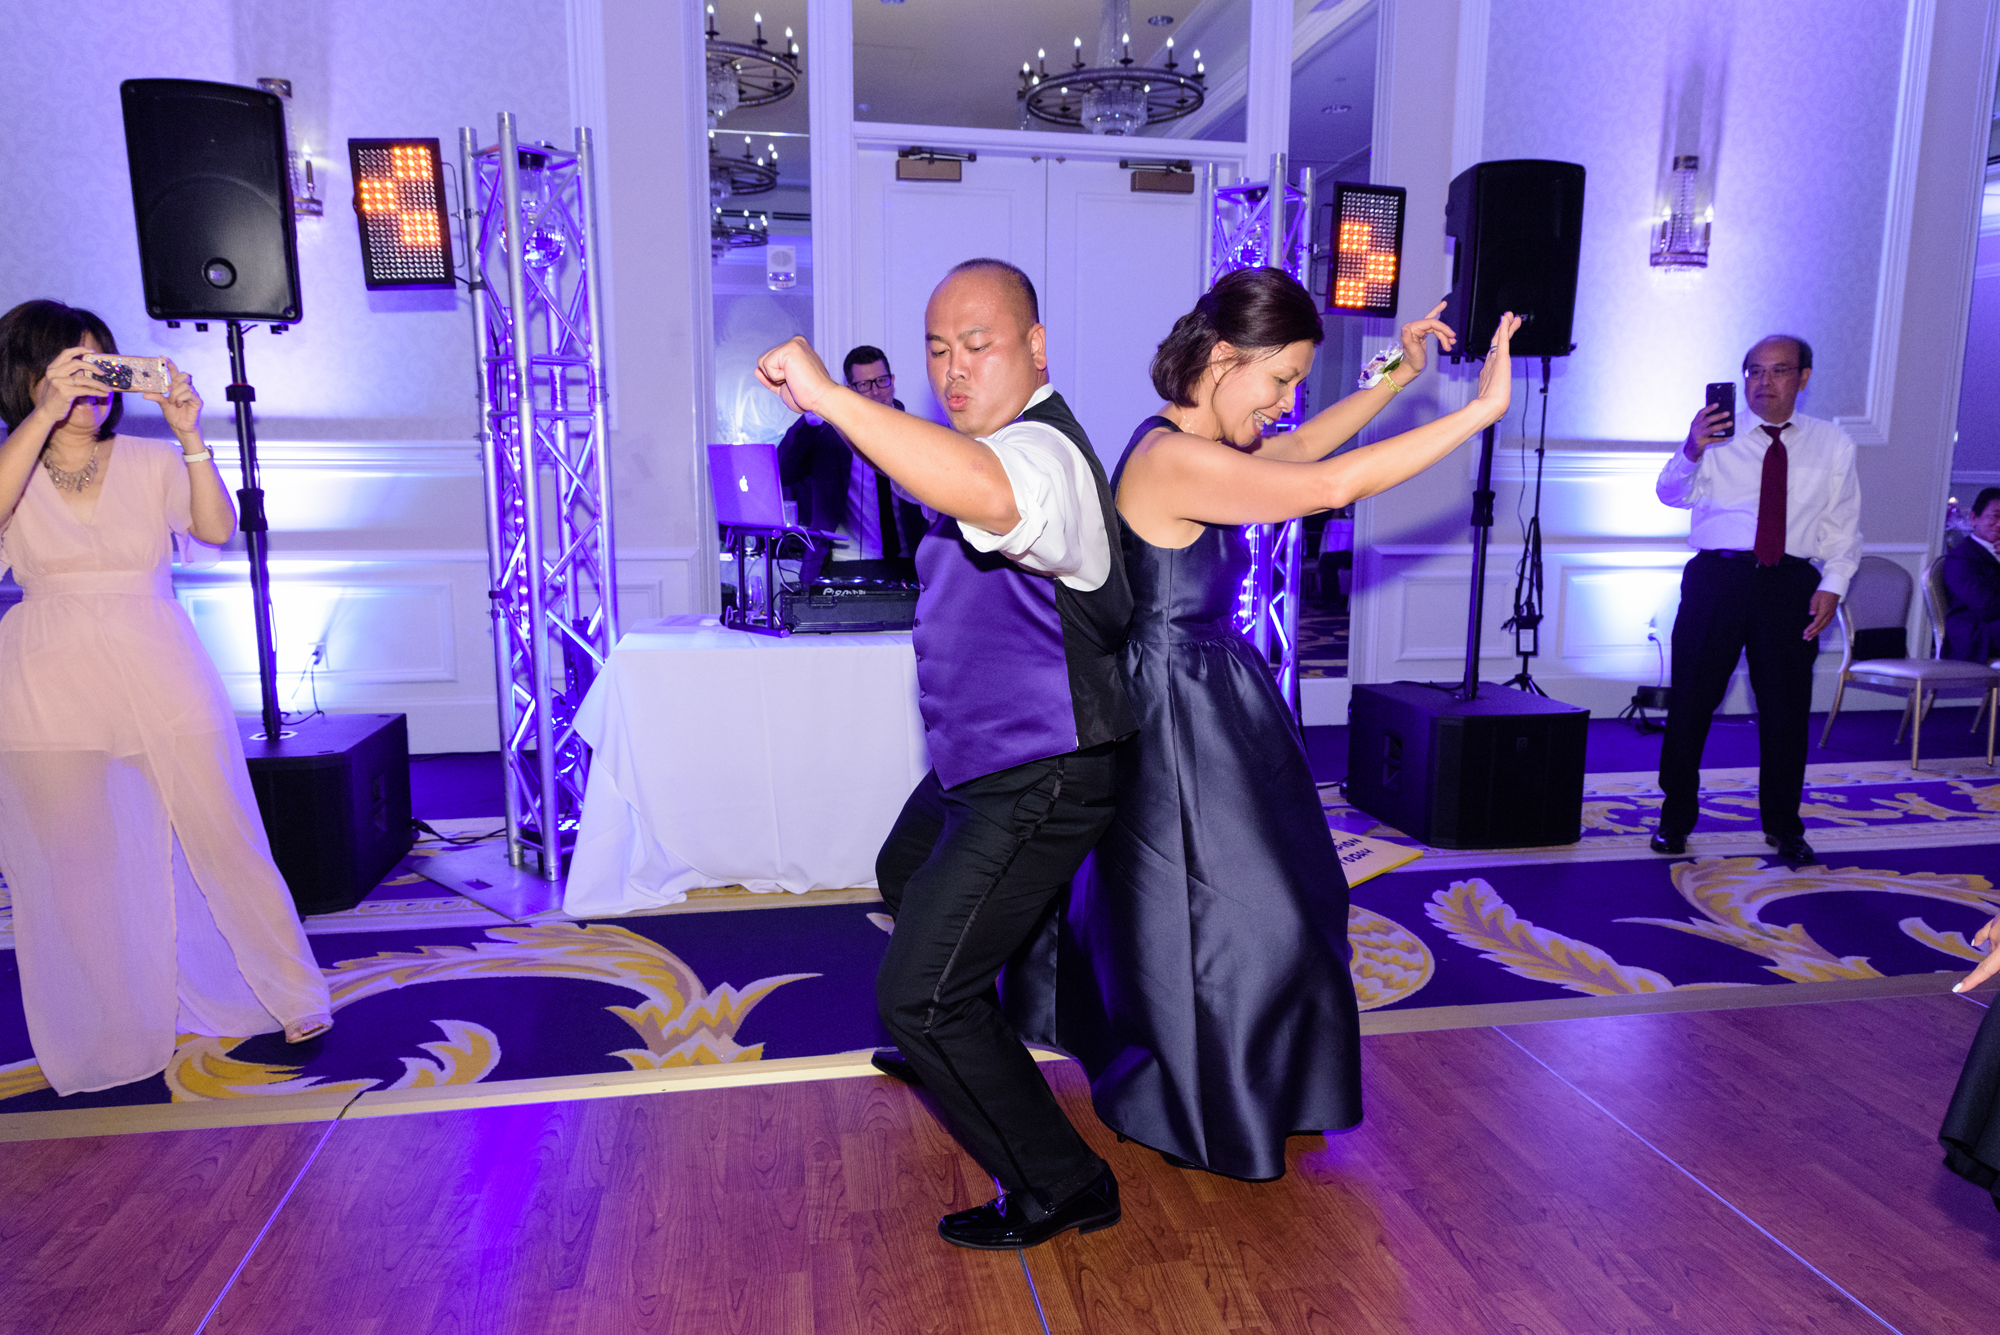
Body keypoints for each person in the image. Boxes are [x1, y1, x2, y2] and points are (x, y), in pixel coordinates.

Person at [1006, 269, 1519, 1180]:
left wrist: (1397, 379)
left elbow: (1309, 450)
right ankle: (1203, 1096)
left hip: (1210, 691)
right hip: (1175, 710)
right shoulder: (1168, 456)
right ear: (1221, 358)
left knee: (1290, 903)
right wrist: (1477, 416)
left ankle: (1259, 1087)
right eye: (1278, 380)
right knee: (1241, 919)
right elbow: (1325, 485)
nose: (1288, 403)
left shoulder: (1201, 442)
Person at [756, 259, 1133, 1250]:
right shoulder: (980, 443)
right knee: (902, 871)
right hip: (982, 761)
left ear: (1035, 347)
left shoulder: (1038, 456)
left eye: (979, 344)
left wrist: (832, 398)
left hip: (1045, 769)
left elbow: (987, 491)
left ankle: (1065, 1184)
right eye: (937, 349)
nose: (953, 368)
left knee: (917, 994)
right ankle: (961, 1045)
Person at [0, 299, 332, 1096]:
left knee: (224, 831)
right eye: (76, 367)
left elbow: (215, 528)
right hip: (49, 678)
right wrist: (43, 420)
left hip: (159, 662)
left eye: (104, 364)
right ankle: (112, 1025)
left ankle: (288, 993)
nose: (98, 383)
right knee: (76, 860)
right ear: (31, 375)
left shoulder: (150, 459)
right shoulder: (14, 462)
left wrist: (189, 434)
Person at [1652, 335, 1861, 868]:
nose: (1763, 383)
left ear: (1804, 378)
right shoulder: (1716, 432)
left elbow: (1842, 527)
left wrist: (1832, 586)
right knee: (1692, 704)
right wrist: (1692, 447)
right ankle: (1674, 819)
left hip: (1789, 586)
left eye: (1778, 371)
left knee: (1787, 712)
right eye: (1754, 372)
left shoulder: (1832, 444)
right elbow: (1670, 493)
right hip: (1716, 581)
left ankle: (1785, 827)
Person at [776, 344, 927, 582]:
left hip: (909, 565)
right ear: (850, 388)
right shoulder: (829, 433)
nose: (876, 392)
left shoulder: (918, 432)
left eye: (881, 381)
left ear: (893, 380)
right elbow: (783, 471)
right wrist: (807, 422)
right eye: (865, 385)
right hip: (845, 564)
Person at [1940, 486, 2000, 663]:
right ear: (1974, 518)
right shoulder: (1960, 558)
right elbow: (1987, 606)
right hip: (1976, 633)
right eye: (1996, 516)